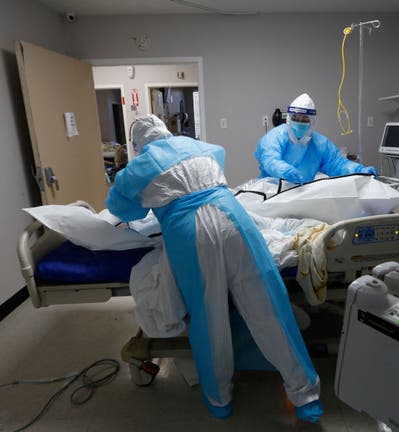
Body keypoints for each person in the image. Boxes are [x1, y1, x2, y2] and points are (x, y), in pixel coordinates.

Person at [106, 115, 323, 422]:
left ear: (140, 145)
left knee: (209, 317)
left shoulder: (141, 165)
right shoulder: (198, 145)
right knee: (269, 305)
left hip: (188, 232)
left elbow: (120, 206)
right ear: (166, 131)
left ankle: (219, 398)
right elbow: (216, 164)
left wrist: (153, 197)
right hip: (233, 218)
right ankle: (306, 395)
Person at [255, 93, 378, 183]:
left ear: (312, 122)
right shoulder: (274, 137)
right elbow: (270, 160)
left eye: (305, 120)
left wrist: (360, 170)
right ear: (289, 118)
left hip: (302, 193)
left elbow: (338, 164)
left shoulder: (320, 144)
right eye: (296, 118)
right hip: (272, 192)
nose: (299, 122)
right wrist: (286, 171)